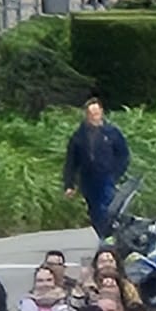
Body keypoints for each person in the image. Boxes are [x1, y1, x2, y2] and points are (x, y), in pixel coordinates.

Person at [62, 97, 131, 235]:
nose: (94, 117)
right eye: (91, 114)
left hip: (106, 177)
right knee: (94, 211)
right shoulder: (78, 136)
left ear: (101, 112)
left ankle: (112, 235)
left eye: (96, 113)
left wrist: (116, 174)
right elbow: (71, 162)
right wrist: (69, 184)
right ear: (86, 115)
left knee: (106, 208)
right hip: (87, 179)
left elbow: (123, 155)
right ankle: (103, 235)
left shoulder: (112, 132)